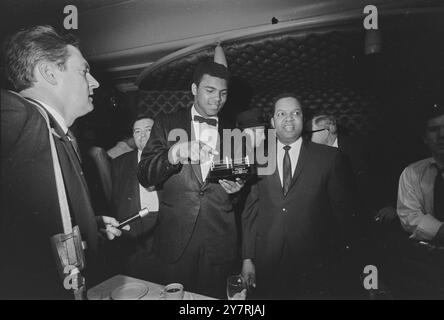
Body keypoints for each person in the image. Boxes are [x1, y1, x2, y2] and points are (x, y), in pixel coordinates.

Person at [0, 25, 126, 299]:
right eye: (83, 71)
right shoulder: (17, 112)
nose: (95, 82)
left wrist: (87, 223)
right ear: (48, 73)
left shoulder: (59, 134)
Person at [137, 60, 244, 298]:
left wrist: (236, 190)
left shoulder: (234, 132)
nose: (217, 99)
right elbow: (144, 175)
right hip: (175, 241)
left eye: (223, 93)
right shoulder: (166, 123)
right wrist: (174, 153)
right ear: (194, 89)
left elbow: (237, 198)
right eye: (210, 91)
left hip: (220, 241)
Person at [241, 93, 356, 299]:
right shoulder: (258, 157)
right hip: (267, 257)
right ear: (273, 121)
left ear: (303, 119)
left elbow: (343, 215)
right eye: (281, 113)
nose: (288, 118)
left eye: (295, 113)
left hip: (314, 260)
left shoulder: (329, 158)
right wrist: (247, 258)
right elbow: (251, 211)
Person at [110, 115, 159, 277]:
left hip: (164, 225)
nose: (142, 135)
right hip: (134, 228)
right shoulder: (119, 164)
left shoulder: (172, 160)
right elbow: (113, 199)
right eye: (137, 131)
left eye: (148, 130)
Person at [397, 102, 444, 245]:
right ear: (425, 138)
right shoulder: (411, 173)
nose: (442, 135)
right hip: (430, 255)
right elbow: (409, 216)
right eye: (434, 129)